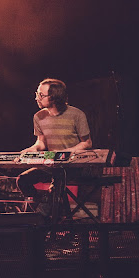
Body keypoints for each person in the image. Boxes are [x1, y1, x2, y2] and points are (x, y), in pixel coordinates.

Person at [17, 78, 92, 219]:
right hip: (52, 164)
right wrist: (32, 149)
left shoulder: (77, 115)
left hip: (74, 166)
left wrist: (65, 152)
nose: (36, 98)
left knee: (58, 179)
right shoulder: (38, 117)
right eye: (37, 94)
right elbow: (41, 143)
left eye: (41, 95)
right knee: (23, 180)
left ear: (54, 97)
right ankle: (44, 208)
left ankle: (44, 215)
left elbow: (87, 143)